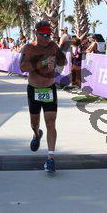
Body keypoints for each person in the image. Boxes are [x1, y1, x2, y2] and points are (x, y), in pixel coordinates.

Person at [20, 20, 67, 175]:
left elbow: (64, 61)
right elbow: (22, 67)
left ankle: (50, 158)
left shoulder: (53, 46)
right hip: (34, 90)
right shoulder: (29, 48)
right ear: (37, 34)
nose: (47, 38)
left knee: (51, 123)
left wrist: (58, 60)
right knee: (34, 123)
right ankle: (36, 134)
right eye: (44, 35)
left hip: (49, 88)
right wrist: (43, 62)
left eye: (49, 35)